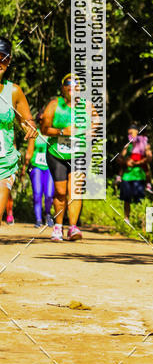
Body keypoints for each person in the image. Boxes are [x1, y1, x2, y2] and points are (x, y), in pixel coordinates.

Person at [40, 74, 86, 242]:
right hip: (57, 153)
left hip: (78, 153)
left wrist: (90, 131)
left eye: (75, 86)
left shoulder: (86, 106)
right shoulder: (54, 105)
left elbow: (95, 124)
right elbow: (44, 128)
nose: (72, 89)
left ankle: (73, 227)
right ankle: (58, 226)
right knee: (60, 192)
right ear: (63, 89)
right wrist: (62, 132)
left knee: (75, 190)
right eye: (68, 86)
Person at [0, 37, 37, 225]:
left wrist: (29, 126)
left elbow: (27, 119)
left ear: (9, 60)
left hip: (4, 161)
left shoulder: (14, 91)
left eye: (3, 58)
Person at [22, 112, 54, 229]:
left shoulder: (52, 134)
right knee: (37, 193)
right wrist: (25, 166)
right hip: (36, 167)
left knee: (50, 194)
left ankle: (48, 213)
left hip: (50, 167)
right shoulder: (35, 133)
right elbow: (29, 151)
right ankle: (38, 219)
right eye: (41, 120)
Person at [119, 124, 153, 221]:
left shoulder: (145, 144)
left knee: (139, 199)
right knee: (126, 199)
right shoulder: (127, 146)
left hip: (140, 175)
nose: (129, 135)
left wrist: (138, 162)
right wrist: (126, 161)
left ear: (137, 132)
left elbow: (150, 157)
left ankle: (141, 220)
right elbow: (119, 158)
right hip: (127, 176)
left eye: (131, 132)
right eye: (128, 133)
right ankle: (127, 219)